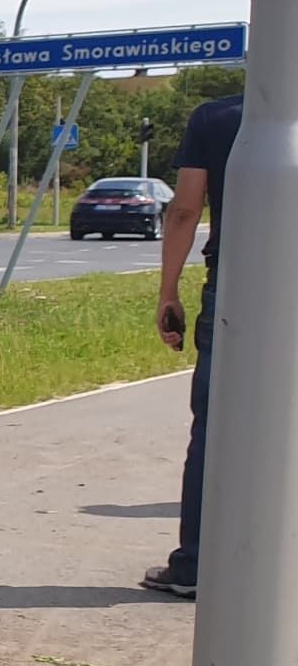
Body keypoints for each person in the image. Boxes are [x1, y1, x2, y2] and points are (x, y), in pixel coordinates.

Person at [144, 92, 243, 599]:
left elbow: (185, 210)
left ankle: (197, 565)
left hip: (238, 284)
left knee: (215, 423)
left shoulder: (218, 118)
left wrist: (168, 292)